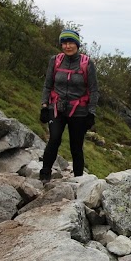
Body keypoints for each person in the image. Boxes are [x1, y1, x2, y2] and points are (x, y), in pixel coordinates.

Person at [39, 28, 98, 181]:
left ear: (77, 44)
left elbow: (93, 90)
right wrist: (44, 106)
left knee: (76, 146)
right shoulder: (55, 60)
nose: (67, 46)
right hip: (56, 108)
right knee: (54, 139)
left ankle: (78, 180)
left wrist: (91, 113)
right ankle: (45, 175)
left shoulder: (87, 63)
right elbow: (47, 85)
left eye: (71, 42)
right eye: (64, 43)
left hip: (79, 111)